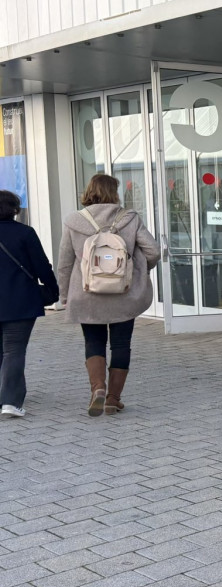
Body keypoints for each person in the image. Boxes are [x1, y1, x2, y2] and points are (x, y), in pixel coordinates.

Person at [58, 174, 160, 417]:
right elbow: (153, 251)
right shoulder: (129, 218)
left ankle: (98, 389)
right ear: (115, 193)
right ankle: (113, 399)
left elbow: (65, 262)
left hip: (86, 294)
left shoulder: (74, 221)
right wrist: (138, 271)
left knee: (93, 342)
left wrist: (64, 294)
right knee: (121, 344)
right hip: (124, 294)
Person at [0, 190, 58, 418]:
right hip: (20, 302)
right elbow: (42, 266)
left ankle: (6, 395)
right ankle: (10, 402)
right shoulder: (25, 233)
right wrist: (53, 290)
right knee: (14, 350)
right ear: (15, 210)